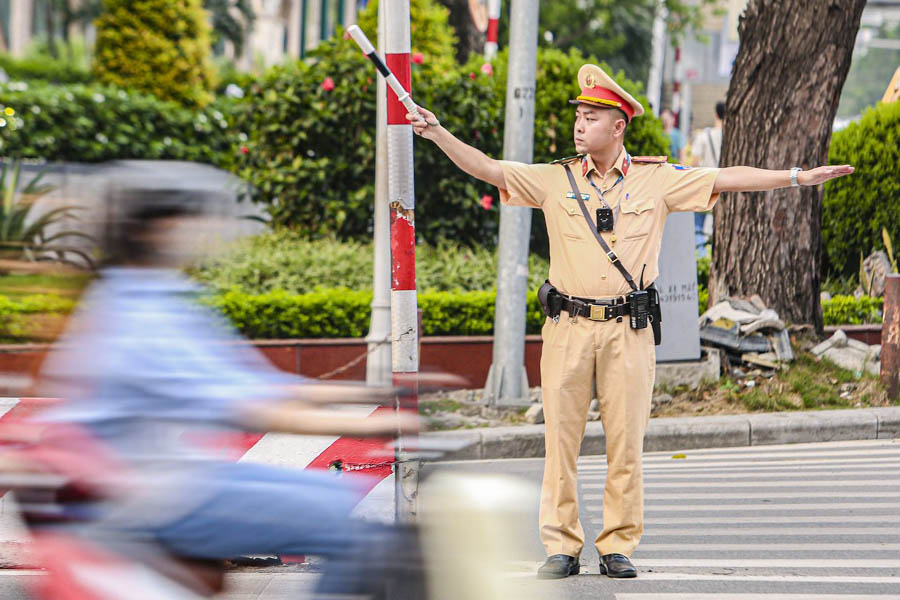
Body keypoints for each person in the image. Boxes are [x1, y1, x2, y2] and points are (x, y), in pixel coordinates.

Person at [406, 64, 852, 580]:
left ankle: (618, 544)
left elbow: (726, 179)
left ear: (618, 126)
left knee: (626, 445)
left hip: (627, 331)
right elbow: (488, 168)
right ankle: (562, 546)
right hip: (568, 328)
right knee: (560, 446)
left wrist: (798, 177)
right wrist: (437, 132)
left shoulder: (656, 179)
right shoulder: (556, 177)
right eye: (578, 115)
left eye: (591, 116)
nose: (580, 124)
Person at [28, 196, 421, 596]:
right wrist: (371, 423)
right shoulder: (139, 317)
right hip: (147, 492)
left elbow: (258, 385)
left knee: (335, 495)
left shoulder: (158, 298)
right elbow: (248, 407)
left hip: (173, 474)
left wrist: (375, 393)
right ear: (156, 235)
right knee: (347, 531)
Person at [690, 100, 726, 253]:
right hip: (726, 184)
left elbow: (695, 162)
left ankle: (701, 255)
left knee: (698, 224)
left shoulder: (704, 136)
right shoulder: (733, 138)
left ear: (715, 114)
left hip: (705, 185)